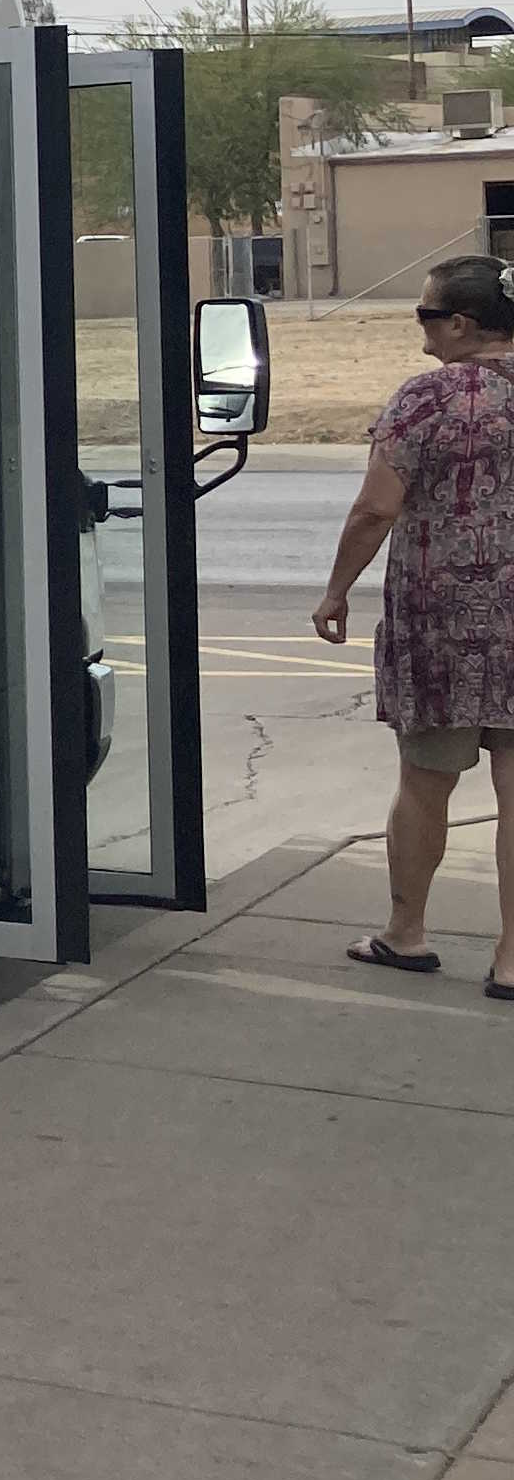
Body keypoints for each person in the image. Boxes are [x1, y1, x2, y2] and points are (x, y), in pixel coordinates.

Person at [313, 254, 514, 996]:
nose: (421, 329)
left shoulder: (424, 400)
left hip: (441, 628)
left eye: (426, 315)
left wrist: (336, 591)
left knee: (426, 781)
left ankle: (407, 933)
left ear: (460, 324)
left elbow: (375, 509)